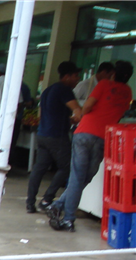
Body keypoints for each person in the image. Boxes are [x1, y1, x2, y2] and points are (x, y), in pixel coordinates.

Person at [49, 60, 133, 232]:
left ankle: (63, 212)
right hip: (103, 138)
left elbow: (86, 106)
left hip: (85, 133)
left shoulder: (103, 84)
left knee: (79, 177)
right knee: (85, 177)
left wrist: (82, 114)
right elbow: (118, 115)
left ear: (114, 73)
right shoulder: (128, 92)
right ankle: (62, 210)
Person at [25, 61, 82, 214]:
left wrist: (68, 120)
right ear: (67, 76)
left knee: (39, 169)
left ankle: (30, 203)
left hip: (43, 134)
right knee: (67, 167)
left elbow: (47, 114)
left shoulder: (48, 90)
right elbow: (77, 109)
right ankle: (47, 199)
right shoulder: (65, 90)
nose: (78, 79)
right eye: (76, 76)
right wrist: (80, 116)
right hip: (57, 136)